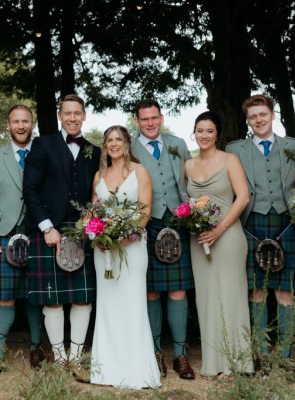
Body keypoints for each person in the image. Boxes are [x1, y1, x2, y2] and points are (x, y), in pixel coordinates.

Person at [23, 94, 100, 382]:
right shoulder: (43, 145)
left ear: (84, 115)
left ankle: (77, 357)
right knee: (53, 299)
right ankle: (58, 356)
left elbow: (97, 191)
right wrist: (46, 227)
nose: (72, 118)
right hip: (50, 230)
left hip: (83, 231)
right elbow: (30, 189)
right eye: (67, 113)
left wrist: (90, 221)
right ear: (59, 115)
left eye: (77, 113)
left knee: (83, 297)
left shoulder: (94, 150)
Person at [226, 94, 295, 362]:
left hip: (287, 222)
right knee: (256, 289)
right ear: (248, 121)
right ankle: (259, 349)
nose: (259, 120)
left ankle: (285, 354)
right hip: (251, 222)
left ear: (272, 115)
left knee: (285, 291)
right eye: (253, 116)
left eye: (263, 114)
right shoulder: (235, 150)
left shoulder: (294, 146)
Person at [89, 125, 160, 389]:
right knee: (107, 307)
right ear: (105, 145)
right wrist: (98, 235)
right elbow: (93, 212)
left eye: (119, 139)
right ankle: (106, 370)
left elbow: (144, 211)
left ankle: (137, 370)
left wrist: (123, 237)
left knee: (132, 305)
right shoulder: (99, 175)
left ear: (127, 143)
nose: (114, 144)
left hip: (132, 248)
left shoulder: (139, 172)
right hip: (104, 252)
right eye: (109, 140)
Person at [131, 99, 195, 380]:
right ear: (137, 121)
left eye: (154, 118)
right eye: (144, 119)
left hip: (177, 221)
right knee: (151, 291)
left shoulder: (178, 143)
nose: (150, 123)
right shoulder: (130, 148)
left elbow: (191, 177)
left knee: (178, 290)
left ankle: (181, 354)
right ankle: (155, 351)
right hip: (146, 224)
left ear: (162, 117)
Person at [185, 111, 253, 377]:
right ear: (194, 133)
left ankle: (235, 362)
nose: (204, 136)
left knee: (231, 296)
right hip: (199, 239)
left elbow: (243, 197)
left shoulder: (229, 160)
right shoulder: (188, 166)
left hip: (227, 237)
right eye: (199, 130)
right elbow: (187, 202)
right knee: (207, 297)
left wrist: (219, 229)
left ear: (217, 134)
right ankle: (213, 361)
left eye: (209, 131)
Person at [0, 105, 44, 375]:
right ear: (8, 125)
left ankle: (35, 348)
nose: (21, 126)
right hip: (4, 234)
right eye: (16, 122)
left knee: (35, 296)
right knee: (5, 297)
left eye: (26, 121)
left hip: (37, 232)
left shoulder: (44, 153)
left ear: (33, 123)